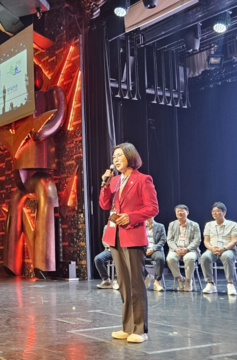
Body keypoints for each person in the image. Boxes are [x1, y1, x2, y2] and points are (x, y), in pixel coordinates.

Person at [100, 142, 159, 344]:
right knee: (124, 284)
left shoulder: (143, 179)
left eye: (119, 156)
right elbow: (104, 204)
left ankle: (140, 329)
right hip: (115, 235)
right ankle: (127, 327)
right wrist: (105, 185)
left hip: (133, 235)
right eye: (114, 157)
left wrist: (131, 216)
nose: (116, 160)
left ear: (130, 156)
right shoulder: (115, 181)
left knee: (135, 283)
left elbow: (152, 208)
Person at [200, 202, 237, 296]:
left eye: (217, 211)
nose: (214, 213)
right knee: (204, 257)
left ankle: (230, 283)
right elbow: (206, 241)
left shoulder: (233, 224)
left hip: (228, 249)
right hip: (213, 249)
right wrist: (212, 248)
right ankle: (210, 283)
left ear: (224, 213)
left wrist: (224, 248)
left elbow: (234, 241)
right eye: (213, 211)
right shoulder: (209, 225)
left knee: (227, 256)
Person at [166, 205, 201, 292]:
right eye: (178, 211)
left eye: (182, 211)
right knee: (170, 258)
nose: (179, 212)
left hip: (190, 250)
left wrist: (187, 249)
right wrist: (176, 249)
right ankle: (180, 278)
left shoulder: (194, 225)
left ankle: (188, 281)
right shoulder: (172, 224)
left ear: (187, 212)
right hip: (176, 249)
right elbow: (169, 240)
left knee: (189, 258)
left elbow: (197, 240)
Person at [142, 217, 166, 292]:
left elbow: (163, 240)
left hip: (155, 249)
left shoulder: (160, 226)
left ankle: (157, 282)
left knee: (160, 258)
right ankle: (147, 276)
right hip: (143, 249)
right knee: (133, 258)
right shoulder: (141, 226)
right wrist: (144, 249)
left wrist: (153, 248)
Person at [94, 226, 119, 290]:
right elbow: (104, 240)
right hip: (109, 250)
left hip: (119, 250)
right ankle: (106, 280)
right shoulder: (107, 227)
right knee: (98, 259)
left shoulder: (121, 227)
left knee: (119, 259)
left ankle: (117, 280)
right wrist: (110, 246)